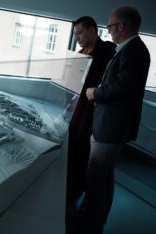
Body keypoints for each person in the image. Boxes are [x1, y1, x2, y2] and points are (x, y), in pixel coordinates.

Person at [81, 6, 150, 234]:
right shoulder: (128, 50)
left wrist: (95, 93)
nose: (108, 31)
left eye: (110, 26)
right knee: (104, 174)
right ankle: (97, 218)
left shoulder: (135, 51)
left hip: (111, 127)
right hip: (111, 125)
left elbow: (124, 87)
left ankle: (90, 224)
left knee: (96, 174)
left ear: (121, 26)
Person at [66, 16, 116, 218]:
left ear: (92, 30)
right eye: (75, 34)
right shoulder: (80, 54)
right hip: (77, 113)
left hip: (95, 116)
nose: (77, 37)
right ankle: (71, 194)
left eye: (79, 33)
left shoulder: (108, 52)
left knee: (90, 162)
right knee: (75, 152)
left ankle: (89, 210)